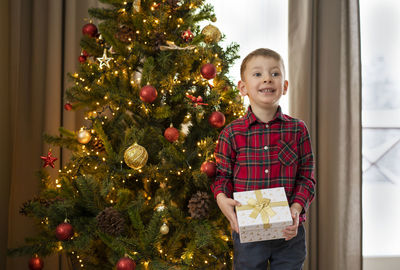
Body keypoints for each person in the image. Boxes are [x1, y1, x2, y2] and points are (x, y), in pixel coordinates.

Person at [211, 48, 316, 270]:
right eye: (257, 74)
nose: (267, 78)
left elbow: (307, 178)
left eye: (275, 74)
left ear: (284, 86)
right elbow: (222, 177)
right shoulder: (231, 134)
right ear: (243, 87)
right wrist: (222, 200)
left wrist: (296, 209)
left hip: (289, 234)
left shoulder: (298, 130)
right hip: (248, 234)